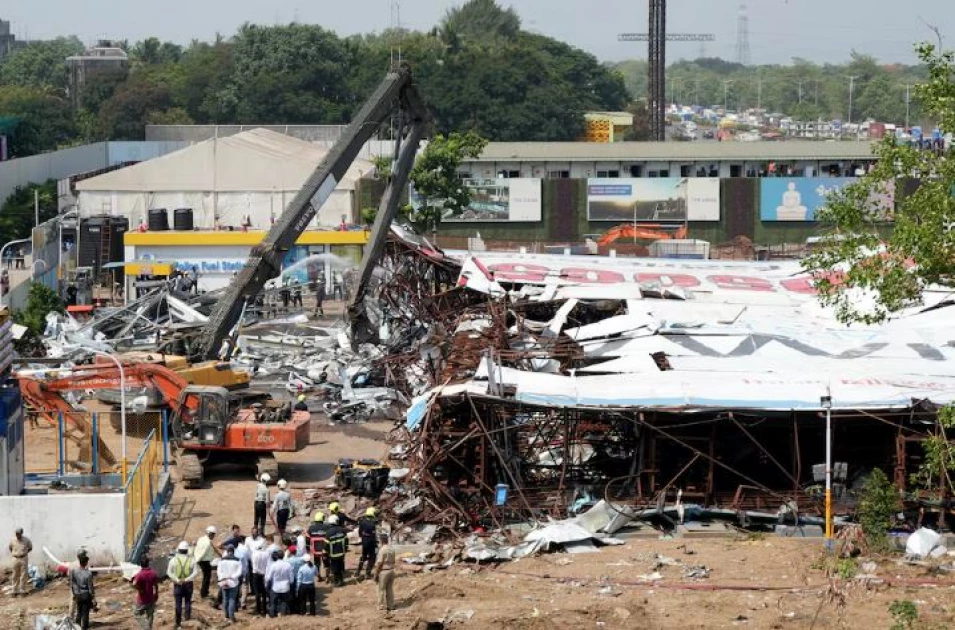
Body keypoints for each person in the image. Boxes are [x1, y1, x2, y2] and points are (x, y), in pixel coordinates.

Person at [167, 541, 197, 629]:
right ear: (187, 550)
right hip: (188, 584)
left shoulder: (173, 560)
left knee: (178, 604)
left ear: (178, 550)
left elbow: (169, 572)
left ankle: (178, 622)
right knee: (188, 602)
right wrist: (187, 579)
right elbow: (195, 572)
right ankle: (187, 620)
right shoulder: (191, 560)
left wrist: (177, 579)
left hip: (178, 584)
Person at [69, 550, 96, 630]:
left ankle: (76, 627)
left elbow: (72, 583)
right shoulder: (88, 573)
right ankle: (84, 628)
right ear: (86, 562)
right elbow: (90, 588)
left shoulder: (74, 571)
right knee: (85, 615)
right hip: (86, 595)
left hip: (77, 594)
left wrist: (75, 593)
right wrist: (93, 599)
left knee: (79, 612)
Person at [131, 557, 160, 630]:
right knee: (150, 615)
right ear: (148, 564)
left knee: (137, 614)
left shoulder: (140, 574)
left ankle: (146, 628)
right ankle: (149, 628)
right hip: (151, 598)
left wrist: (140, 589)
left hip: (142, 599)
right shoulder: (153, 573)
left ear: (141, 565)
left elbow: (134, 584)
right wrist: (156, 593)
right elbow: (156, 585)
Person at [217, 545, 243, 623]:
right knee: (232, 599)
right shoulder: (238, 560)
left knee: (225, 599)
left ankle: (226, 616)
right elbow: (239, 572)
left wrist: (223, 577)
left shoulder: (222, 560)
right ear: (233, 551)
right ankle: (232, 617)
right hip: (233, 582)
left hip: (224, 581)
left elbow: (219, 572)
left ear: (227, 551)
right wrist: (232, 577)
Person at [265, 549, 293, 617]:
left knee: (273, 603)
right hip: (285, 587)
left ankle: (272, 616)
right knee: (284, 602)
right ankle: (282, 616)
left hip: (275, 587)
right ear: (283, 556)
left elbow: (269, 577)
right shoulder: (288, 565)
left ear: (277, 556)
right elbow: (292, 579)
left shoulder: (273, 565)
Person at [194, 525, 219, 599]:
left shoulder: (201, 539)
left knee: (206, 576)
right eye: (213, 534)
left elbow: (197, 549)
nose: (213, 536)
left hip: (201, 560)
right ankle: (204, 593)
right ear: (210, 534)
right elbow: (203, 552)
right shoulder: (207, 542)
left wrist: (197, 559)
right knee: (207, 577)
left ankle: (204, 592)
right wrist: (198, 559)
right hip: (204, 561)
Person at [373, 532, 396, 613]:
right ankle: (391, 605)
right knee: (390, 589)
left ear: (381, 541)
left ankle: (381, 606)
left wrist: (376, 574)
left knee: (381, 590)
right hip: (391, 570)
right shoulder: (392, 549)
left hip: (384, 572)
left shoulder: (382, 550)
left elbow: (379, 563)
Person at [325, 514, 348, 587]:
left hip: (333, 554)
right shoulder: (342, 530)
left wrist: (326, 553)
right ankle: (341, 580)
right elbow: (346, 540)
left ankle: (336, 582)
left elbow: (326, 545)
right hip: (342, 552)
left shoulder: (328, 532)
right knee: (341, 566)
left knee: (335, 569)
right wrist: (346, 549)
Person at [356, 507, 379, 580]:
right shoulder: (372, 524)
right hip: (371, 543)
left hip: (364, 542)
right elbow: (373, 535)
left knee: (363, 556)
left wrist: (363, 537)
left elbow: (359, 532)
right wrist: (376, 543)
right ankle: (367, 573)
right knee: (372, 557)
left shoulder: (362, 521)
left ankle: (358, 571)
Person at [8, 527, 32, 596]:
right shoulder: (12, 540)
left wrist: (24, 553)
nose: (17, 535)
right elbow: (10, 548)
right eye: (16, 534)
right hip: (15, 559)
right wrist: (15, 554)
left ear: (21, 533)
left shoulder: (26, 540)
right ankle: (14, 590)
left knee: (23, 574)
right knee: (15, 574)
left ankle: (22, 590)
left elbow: (30, 548)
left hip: (23, 558)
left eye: (18, 534)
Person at [250, 538, 270, 616]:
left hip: (256, 574)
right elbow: (268, 564)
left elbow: (253, 564)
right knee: (264, 593)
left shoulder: (254, 554)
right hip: (264, 574)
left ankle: (258, 609)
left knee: (257, 593)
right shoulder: (267, 553)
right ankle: (264, 610)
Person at [306, 511, 327, 582]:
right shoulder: (327, 527)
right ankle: (328, 577)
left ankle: (319, 577)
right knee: (326, 562)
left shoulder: (311, 528)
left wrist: (308, 548)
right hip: (325, 549)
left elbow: (307, 539)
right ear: (322, 519)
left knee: (317, 563)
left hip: (316, 550)